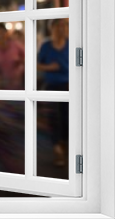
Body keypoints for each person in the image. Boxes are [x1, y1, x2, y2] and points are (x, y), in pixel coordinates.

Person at [37, 18, 69, 166]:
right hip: (51, 85)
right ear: (51, 29)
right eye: (57, 26)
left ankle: (65, 145)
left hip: (69, 86)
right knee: (53, 117)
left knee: (67, 117)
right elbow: (37, 64)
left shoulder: (72, 44)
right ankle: (57, 149)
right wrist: (50, 68)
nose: (61, 29)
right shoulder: (46, 46)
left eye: (63, 26)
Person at [0, 23, 25, 90]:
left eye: (2, 32)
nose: (0, 35)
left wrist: (20, 65)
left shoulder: (16, 45)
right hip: (1, 86)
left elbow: (27, 59)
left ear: (6, 32)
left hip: (17, 84)